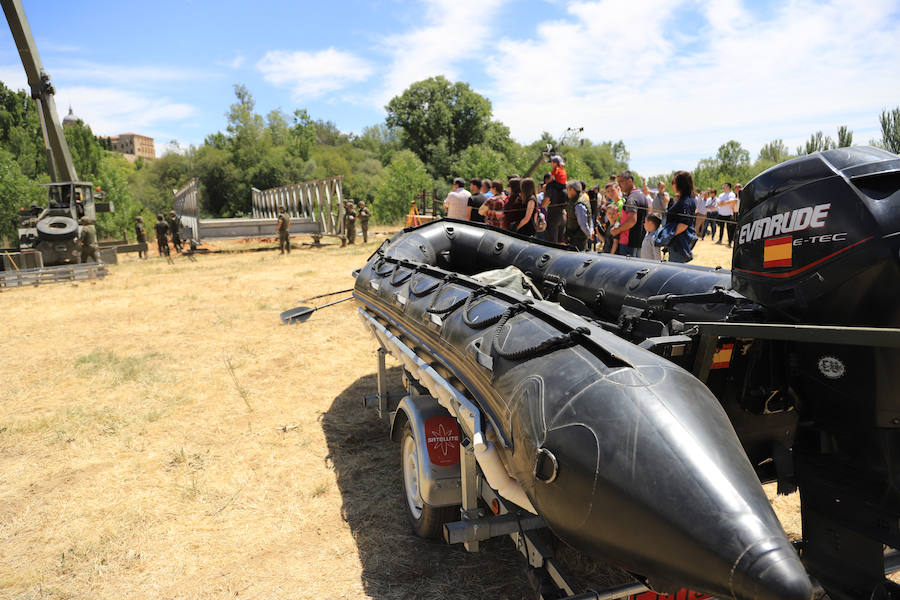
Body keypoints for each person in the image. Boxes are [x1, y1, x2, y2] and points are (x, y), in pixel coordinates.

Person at [663, 170, 698, 263]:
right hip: (677, 243)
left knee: (673, 272)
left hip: (678, 245)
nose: (671, 185)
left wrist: (667, 237)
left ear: (680, 184)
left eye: (673, 182)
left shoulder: (685, 202)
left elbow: (684, 224)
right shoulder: (687, 199)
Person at [611, 170, 648, 257]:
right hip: (639, 241)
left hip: (629, 242)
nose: (619, 184)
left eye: (621, 181)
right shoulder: (641, 195)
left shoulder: (632, 198)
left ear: (630, 181)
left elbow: (632, 220)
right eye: (618, 182)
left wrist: (617, 230)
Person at [564, 181, 592, 250]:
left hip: (578, 239)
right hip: (575, 237)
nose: (566, 191)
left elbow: (583, 224)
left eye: (567, 189)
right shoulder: (578, 198)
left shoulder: (579, 205)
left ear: (572, 190)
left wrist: (589, 235)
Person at [545, 157, 567, 244]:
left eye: (552, 162)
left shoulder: (556, 169)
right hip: (563, 186)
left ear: (555, 163)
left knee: (549, 185)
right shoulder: (562, 169)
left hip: (558, 185)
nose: (551, 164)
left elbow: (552, 178)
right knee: (561, 239)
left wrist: (547, 185)